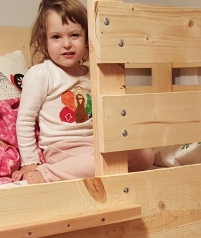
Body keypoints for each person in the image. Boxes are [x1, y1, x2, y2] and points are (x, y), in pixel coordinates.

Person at [13, 0, 154, 184]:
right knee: (100, 162)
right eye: (56, 37)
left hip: (93, 145)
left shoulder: (93, 75)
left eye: (74, 35)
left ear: (87, 40)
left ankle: (91, 168)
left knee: (146, 155)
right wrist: (30, 162)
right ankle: (48, 173)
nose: (66, 44)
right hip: (62, 149)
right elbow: (25, 119)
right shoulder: (42, 74)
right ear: (43, 40)